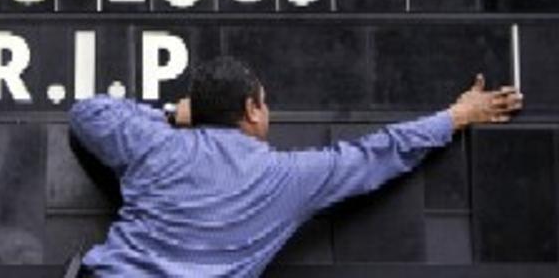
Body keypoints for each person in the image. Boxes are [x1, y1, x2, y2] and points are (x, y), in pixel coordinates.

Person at [67, 56, 523, 277]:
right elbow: (379, 153)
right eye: (265, 103)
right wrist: (457, 117)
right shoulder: (286, 179)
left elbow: (87, 114)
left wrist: (171, 115)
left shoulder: (155, 145)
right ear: (251, 110)